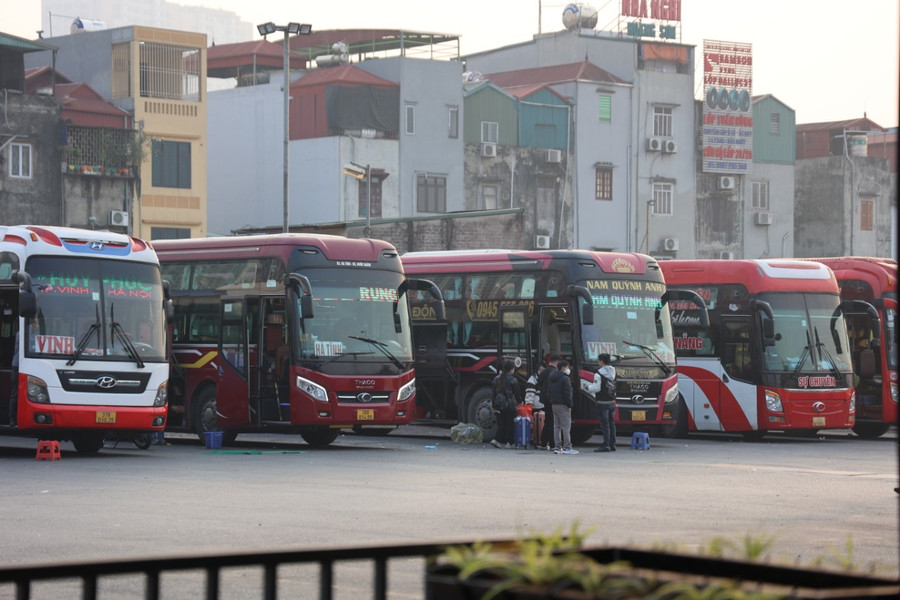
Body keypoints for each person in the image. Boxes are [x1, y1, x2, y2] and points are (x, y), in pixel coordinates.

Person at [588, 353, 617, 452]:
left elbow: (596, 388)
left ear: (601, 361)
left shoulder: (598, 374)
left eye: (598, 361)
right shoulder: (614, 371)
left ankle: (606, 444)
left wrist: (588, 387)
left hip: (602, 402)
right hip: (612, 401)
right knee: (612, 423)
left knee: (605, 425)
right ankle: (612, 444)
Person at [549, 359, 578, 454]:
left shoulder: (552, 377)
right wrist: (570, 405)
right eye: (567, 367)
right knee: (566, 426)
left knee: (556, 426)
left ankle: (557, 446)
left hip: (554, 404)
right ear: (563, 368)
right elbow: (567, 394)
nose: (568, 369)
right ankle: (567, 446)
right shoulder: (565, 379)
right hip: (563, 405)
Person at [490, 359, 519, 449]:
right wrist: (520, 402)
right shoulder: (513, 380)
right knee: (510, 424)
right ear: (512, 369)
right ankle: (509, 443)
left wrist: (494, 405)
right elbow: (517, 394)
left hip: (499, 404)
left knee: (502, 424)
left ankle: (497, 440)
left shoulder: (496, 379)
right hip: (510, 405)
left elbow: (493, 393)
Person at [535, 353, 560, 450]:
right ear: (557, 362)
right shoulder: (554, 372)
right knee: (552, 422)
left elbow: (539, 383)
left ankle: (543, 442)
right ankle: (552, 443)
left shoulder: (544, 372)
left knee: (548, 421)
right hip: (552, 399)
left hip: (544, 399)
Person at [525, 363, 546, 448]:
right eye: (540, 370)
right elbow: (530, 394)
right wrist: (529, 405)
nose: (541, 371)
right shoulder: (532, 379)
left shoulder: (543, 378)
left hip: (542, 405)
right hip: (536, 406)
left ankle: (539, 440)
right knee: (535, 425)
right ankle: (535, 440)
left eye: (543, 370)